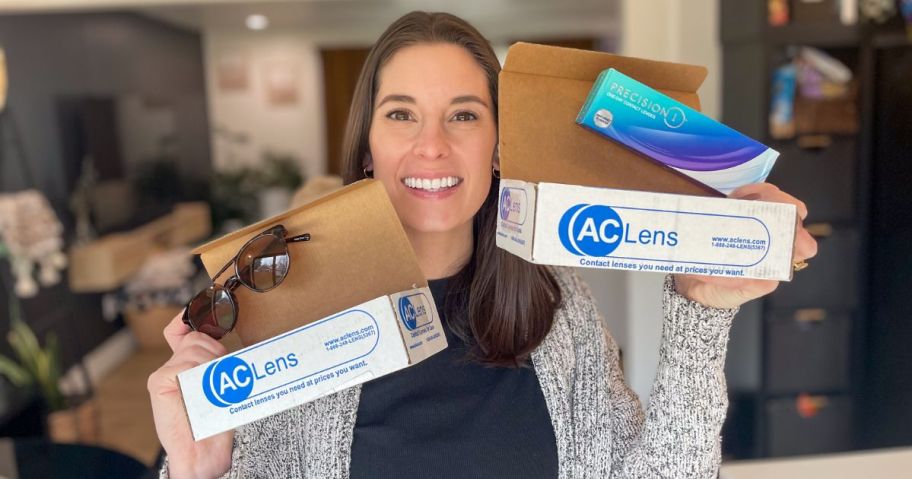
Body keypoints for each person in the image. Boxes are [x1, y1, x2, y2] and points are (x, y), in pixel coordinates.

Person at [148, 11, 817, 479]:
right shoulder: (286, 322)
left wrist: (701, 312)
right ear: (369, 150)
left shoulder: (558, 310)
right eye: (401, 113)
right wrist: (197, 474)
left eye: (464, 113)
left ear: (498, 148)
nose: (431, 144)